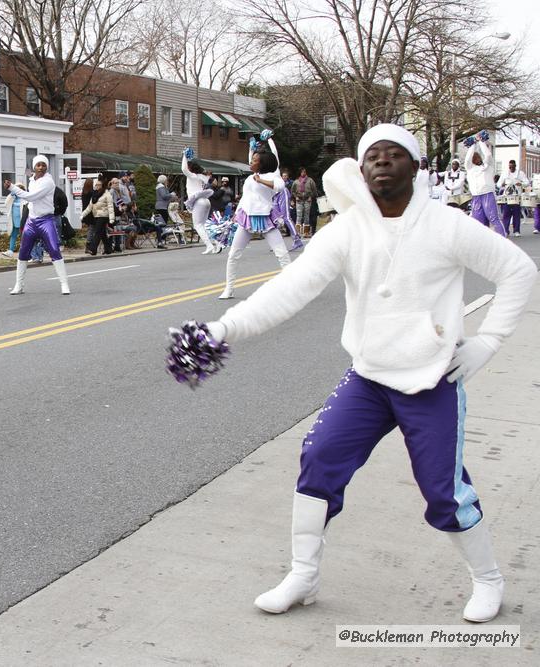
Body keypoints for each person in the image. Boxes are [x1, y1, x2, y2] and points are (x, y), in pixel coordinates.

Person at [202, 123, 536, 622]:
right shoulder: (347, 230)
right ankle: (303, 574)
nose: (381, 161)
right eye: (372, 155)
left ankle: (487, 579)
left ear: (416, 166)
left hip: (431, 380)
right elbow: (290, 288)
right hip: (369, 377)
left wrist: (488, 341)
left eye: (394, 153)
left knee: (443, 489)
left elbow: (519, 271)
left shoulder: (448, 225)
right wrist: (224, 328)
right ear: (361, 170)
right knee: (319, 458)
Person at [219, 133, 290, 299]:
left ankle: (292, 286)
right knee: (233, 254)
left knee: (281, 253)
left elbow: (280, 187)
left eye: (254, 161)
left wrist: (261, 181)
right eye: (251, 160)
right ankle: (229, 288)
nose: (250, 162)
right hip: (247, 218)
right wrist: (236, 215)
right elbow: (245, 197)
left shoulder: (272, 176)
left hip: (266, 218)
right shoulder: (251, 178)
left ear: (262, 164)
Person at [3, 155, 71, 295]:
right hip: (31, 221)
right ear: (34, 167)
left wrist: (12, 188)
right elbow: (30, 199)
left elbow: (31, 197)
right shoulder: (32, 180)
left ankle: (64, 284)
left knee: (54, 250)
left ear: (47, 167)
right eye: (38, 165)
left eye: (43, 165)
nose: (40, 167)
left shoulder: (48, 182)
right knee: (23, 253)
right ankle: (18, 285)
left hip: (46, 220)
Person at [465, 132, 506, 236]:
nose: (476, 159)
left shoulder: (488, 166)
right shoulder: (470, 169)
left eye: (478, 157)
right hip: (476, 196)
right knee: (479, 223)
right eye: (475, 158)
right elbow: (467, 159)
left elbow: (488, 155)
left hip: (488, 194)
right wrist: (473, 145)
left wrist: (481, 142)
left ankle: (502, 239)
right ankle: (483, 244)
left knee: (493, 218)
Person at [181, 150, 217, 254]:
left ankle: (209, 246)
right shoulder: (202, 176)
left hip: (198, 201)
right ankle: (217, 243)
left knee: (198, 225)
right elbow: (214, 182)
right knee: (205, 225)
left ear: (191, 169)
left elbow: (183, 168)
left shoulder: (192, 176)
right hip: (206, 200)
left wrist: (184, 155)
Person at [81, 175, 115, 256]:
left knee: (97, 232)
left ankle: (93, 249)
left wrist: (111, 217)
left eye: (98, 185)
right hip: (95, 215)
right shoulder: (94, 193)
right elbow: (91, 205)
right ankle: (108, 249)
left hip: (103, 215)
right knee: (102, 233)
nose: (97, 186)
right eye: (96, 184)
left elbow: (110, 206)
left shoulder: (105, 194)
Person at [272, 167, 304, 252]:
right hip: (274, 194)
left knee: (286, 217)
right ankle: (277, 244)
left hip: (281, 192)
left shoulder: (272, 169)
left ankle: (297, 240)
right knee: (275, 219)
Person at [498, 159, 527, 237]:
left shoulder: (520, 173)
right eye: (510, 167)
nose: (511, 169)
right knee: (506, 214)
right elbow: (498, 184)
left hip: (516, 197)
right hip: (507, 196)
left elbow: (527, 182)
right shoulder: (505, 173)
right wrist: (502, 184)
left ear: (515, 166)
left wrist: (520, 183)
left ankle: (516, 231)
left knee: (516, 214)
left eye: (512, 167)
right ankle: (506, 231)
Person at [3, 182, 27, 258]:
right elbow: (6, 203)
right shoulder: (12, 197)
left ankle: (25, 252)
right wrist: (11, 195)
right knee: (13, 235)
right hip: (14, 220)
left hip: (23, 221)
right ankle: (10, 251)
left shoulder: (25, 198)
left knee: (24, 236)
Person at [292, 168, 318, 237]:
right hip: (299, 200)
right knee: (299, 216)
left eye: (304, 172)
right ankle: (297, 233)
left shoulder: (310, 180)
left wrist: (311, 196)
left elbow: (314, 190)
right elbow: (293, 191)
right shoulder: (296, 181)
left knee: (306, 216)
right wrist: (295, 197)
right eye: (302, 172)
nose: (303, 173)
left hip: (307, 200)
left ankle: (306, 232)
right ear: (300, 173)